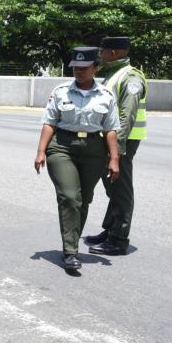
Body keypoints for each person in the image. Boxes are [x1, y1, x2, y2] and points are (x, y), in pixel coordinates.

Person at [34, 47, 121, 272]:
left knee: (84, 199)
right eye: (76, 68)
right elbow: (49, 122)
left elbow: (110, 130)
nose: (79, 72)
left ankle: (71, 241)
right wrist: (41, 151)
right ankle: (71, 251)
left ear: (95, 68)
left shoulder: (106, 96)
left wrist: (114, 159)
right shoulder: (61, 92)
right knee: (70, 197)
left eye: (84, 68)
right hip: (62, 146)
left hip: (93, 149)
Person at [86, 36, 148, 256]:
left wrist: (116, 152)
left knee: (120, 190)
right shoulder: (113, 74)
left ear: (113, 53)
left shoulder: (131, 77)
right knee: (113, 188)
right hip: (110, 141)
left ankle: (118, 239)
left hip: (123, 143)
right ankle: (111, 230)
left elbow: (126, 116)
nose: (100, 55)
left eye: (102, 52)